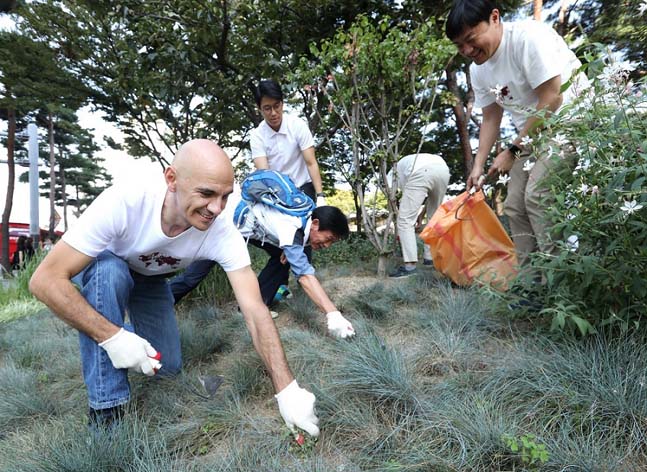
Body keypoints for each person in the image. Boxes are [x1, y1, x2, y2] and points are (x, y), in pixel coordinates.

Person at [29, 139, 320, 436]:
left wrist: (287, 389)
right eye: (206, 194)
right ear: (172, 179)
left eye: (224, 196)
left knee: (165, 367)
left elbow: (255, 310)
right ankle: (107, 409)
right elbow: (44, 281)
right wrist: (110, 336)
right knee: (110, 273)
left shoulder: (222, 231)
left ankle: (118, 335)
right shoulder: (125, 202)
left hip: (151, 278)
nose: (216, 208)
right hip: (108, 267)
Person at [445, 0, 588, 267]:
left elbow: (553, 98)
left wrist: (512, 150)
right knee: (514, 204)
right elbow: (490, 117)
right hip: (531, 133)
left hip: (569, 120)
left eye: (470, 38)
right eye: (459, 45)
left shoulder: (528, 38)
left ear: (495, 17)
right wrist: (477, 166)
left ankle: (559, 282)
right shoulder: (479, 70)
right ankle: (531, 283)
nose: (466, 50)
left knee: (538, 196)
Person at [170, 182, 356, 339]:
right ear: (315, 224)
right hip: (224, 228)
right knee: (193, 277)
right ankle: (158, 304)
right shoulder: (292, 225)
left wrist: (288, 250)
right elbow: (305, 276)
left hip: (253, 231)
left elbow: (298, 239)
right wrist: (333, 313)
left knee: (282, 259)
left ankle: (255, 306)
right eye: (329, 238)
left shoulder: (304, 217)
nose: (328, 245)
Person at [250, 79, 326, 205]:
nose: (273, 113)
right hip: (278, 192)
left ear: (282, 103)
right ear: (259, 109)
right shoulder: (257, 136)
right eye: (267, 108)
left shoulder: (297, 125)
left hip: (304, 188)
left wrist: (320, 196)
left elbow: (311, 162)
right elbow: (265, 173)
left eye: (276, 106)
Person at [388, 153, 450, 278]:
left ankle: (410, 267)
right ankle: (430, 258)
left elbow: (391, 193)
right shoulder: (407, 163)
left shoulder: (392, 175)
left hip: (421, 171)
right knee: (434, 217)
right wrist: (421, 215)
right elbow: (424, 199)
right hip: (443, 170)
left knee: (405, 220)